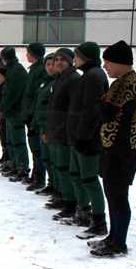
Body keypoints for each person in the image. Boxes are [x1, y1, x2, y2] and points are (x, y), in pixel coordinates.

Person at [89, 41, 136, 258]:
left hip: (123, 149)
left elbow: (108, 113)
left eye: (108, 62)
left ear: (121, 62)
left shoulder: (128, 84)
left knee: (118, 196)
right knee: (113, 195)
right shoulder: (121, 82)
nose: (105, 66)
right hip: (114, 148)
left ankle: (119, 242)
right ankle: (113, 237)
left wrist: (99, 101)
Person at [66, 42, 109, 238]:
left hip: (88, 139)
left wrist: (83, 136)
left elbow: (92, 111)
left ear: (87, 57)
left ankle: (99, 221)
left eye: (77, 56)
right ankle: (83, 212)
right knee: (77, 175)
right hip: (78, 136)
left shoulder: (94, 76)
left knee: (90, 179)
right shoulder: (88, 75)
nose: (74, 60)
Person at [46, 48, 81, 221]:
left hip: (66, 134)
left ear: (70, 61)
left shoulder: (73, 79)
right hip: (57, 132)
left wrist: (67, 132)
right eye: (56, 59)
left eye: (62, 60)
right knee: (60, 168)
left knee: (67, 170)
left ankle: (71, 204)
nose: (58, 62)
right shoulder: (59, 79)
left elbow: (73, 110)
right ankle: (65, 199)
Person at [0, 47, 28, 181]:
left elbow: (12, 94)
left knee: (18, 142)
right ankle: (15, 165)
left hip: (16, 111)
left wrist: (3, 109)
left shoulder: (16, 70)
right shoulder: (12, 69)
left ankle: (22, 168)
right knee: (11, 141)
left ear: (5, 58)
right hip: (12, 111)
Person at [22, 43, 47, 187]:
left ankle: (39, 178)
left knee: (37, 150)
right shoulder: (34, 69)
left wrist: (30, 113)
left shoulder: (40, 70)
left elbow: (36, 95)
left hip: (34, 116)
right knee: (34, 148)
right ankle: (36, 176)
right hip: (30, 114)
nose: (26, 55)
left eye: (28, 53)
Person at [32, 53, 57, 194]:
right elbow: (39, 104)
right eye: (47, 64)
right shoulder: (45, 82)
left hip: (51, 127)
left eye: (52, 64)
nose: (50, 67)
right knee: (46, 158)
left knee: (53, 160)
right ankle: (52, 184)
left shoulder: (55, 83)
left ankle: (56, 187)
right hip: (42, 126)